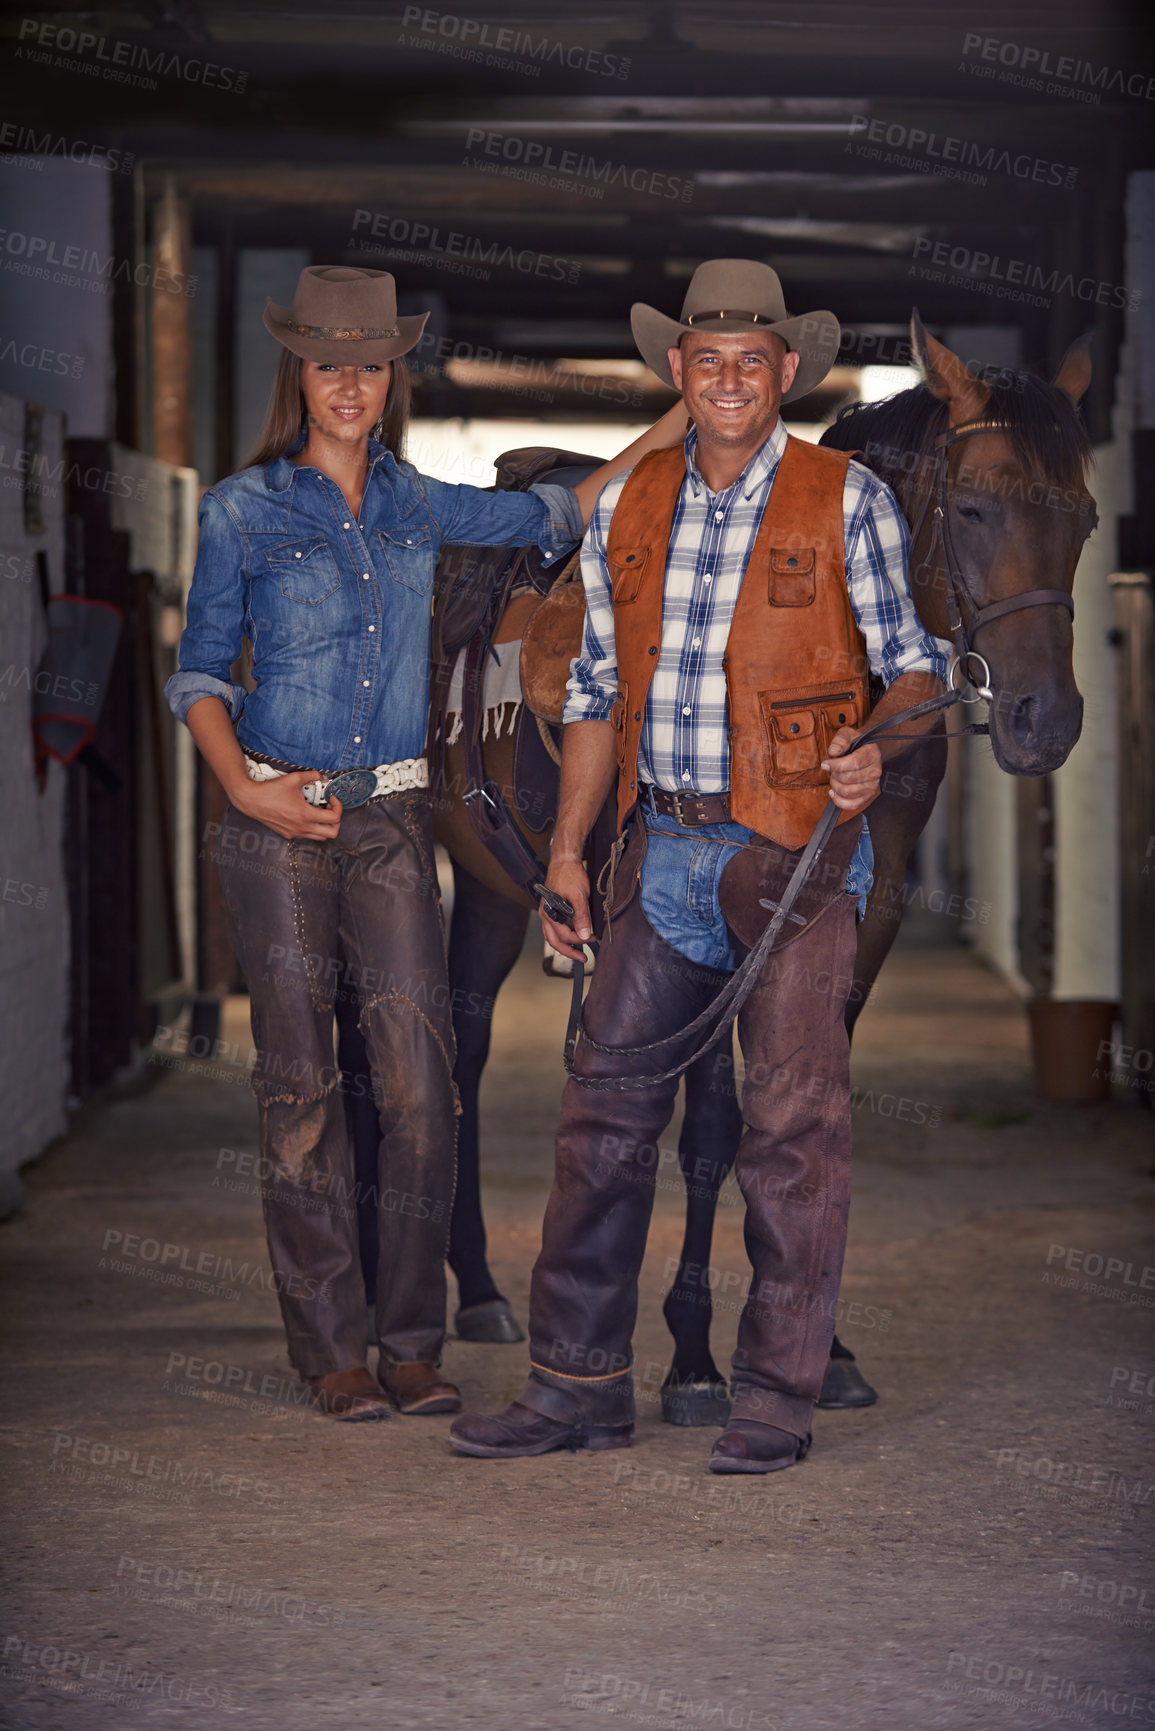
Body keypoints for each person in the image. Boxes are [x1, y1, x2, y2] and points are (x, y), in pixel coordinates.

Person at [165, 265, 686, 1422]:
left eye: (369, 361)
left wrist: (689, 406)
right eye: (327, 362)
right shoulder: (244, 511)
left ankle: (412, 1339)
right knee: (301, 1091)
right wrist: (245, 797)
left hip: (393, 822)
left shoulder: (418, 504)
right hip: (275, 824)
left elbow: (575, 506)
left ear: (390, 374)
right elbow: (199, 674)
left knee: (419, 1083)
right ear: (298, 373)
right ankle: (332, 1352)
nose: (348, 382)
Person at [450, 259, 947, 1472]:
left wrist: (875, 750)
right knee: (601, 1124)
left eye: (753, 360)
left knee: (792, 1129)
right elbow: (598, 698)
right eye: (706, 359)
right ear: (678, 372)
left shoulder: (849, 500)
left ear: (787, 373)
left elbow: (918, 668)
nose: (729, 379)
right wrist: (570, 850)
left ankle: (775, 1396)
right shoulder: (630, 508)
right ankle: (577, 1386)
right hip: (658, 848)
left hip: (796, 855)